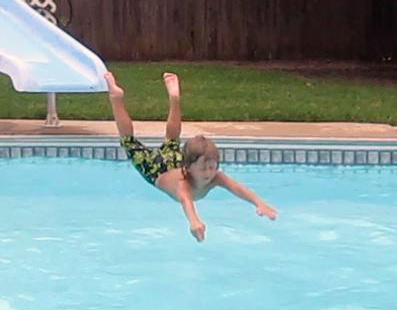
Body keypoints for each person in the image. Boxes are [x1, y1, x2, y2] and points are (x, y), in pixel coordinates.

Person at [105, 71, 277, 242]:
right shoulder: (183, 185)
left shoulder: (215, 177)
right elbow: (186, 202)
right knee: (129, 141)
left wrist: (259, 202)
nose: (209, 173)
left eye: (212, 167)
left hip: (173, 163)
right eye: (203, 168)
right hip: (155, 171)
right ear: (187, 168)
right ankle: (116, 98)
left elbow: (237, 188)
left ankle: (174, 98)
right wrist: (194, 222)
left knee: (172, 139)